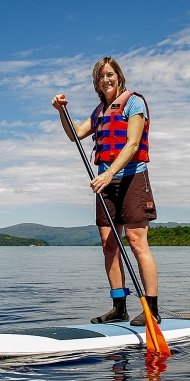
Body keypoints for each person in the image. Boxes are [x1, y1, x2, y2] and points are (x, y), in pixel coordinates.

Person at [51, 57, 160, 326]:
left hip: (132, 178)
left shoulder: (133, 102)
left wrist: (109, 173)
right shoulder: (99, 110)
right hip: (105, 184)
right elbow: (75, 134)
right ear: (96, 82)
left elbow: (133, 144)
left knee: (136, 243)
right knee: (109, 245)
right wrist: (61, 111)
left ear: (118, 76)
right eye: (101, 77)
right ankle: (118, 307)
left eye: (110, 74)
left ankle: (152, 310)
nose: (106, 80)